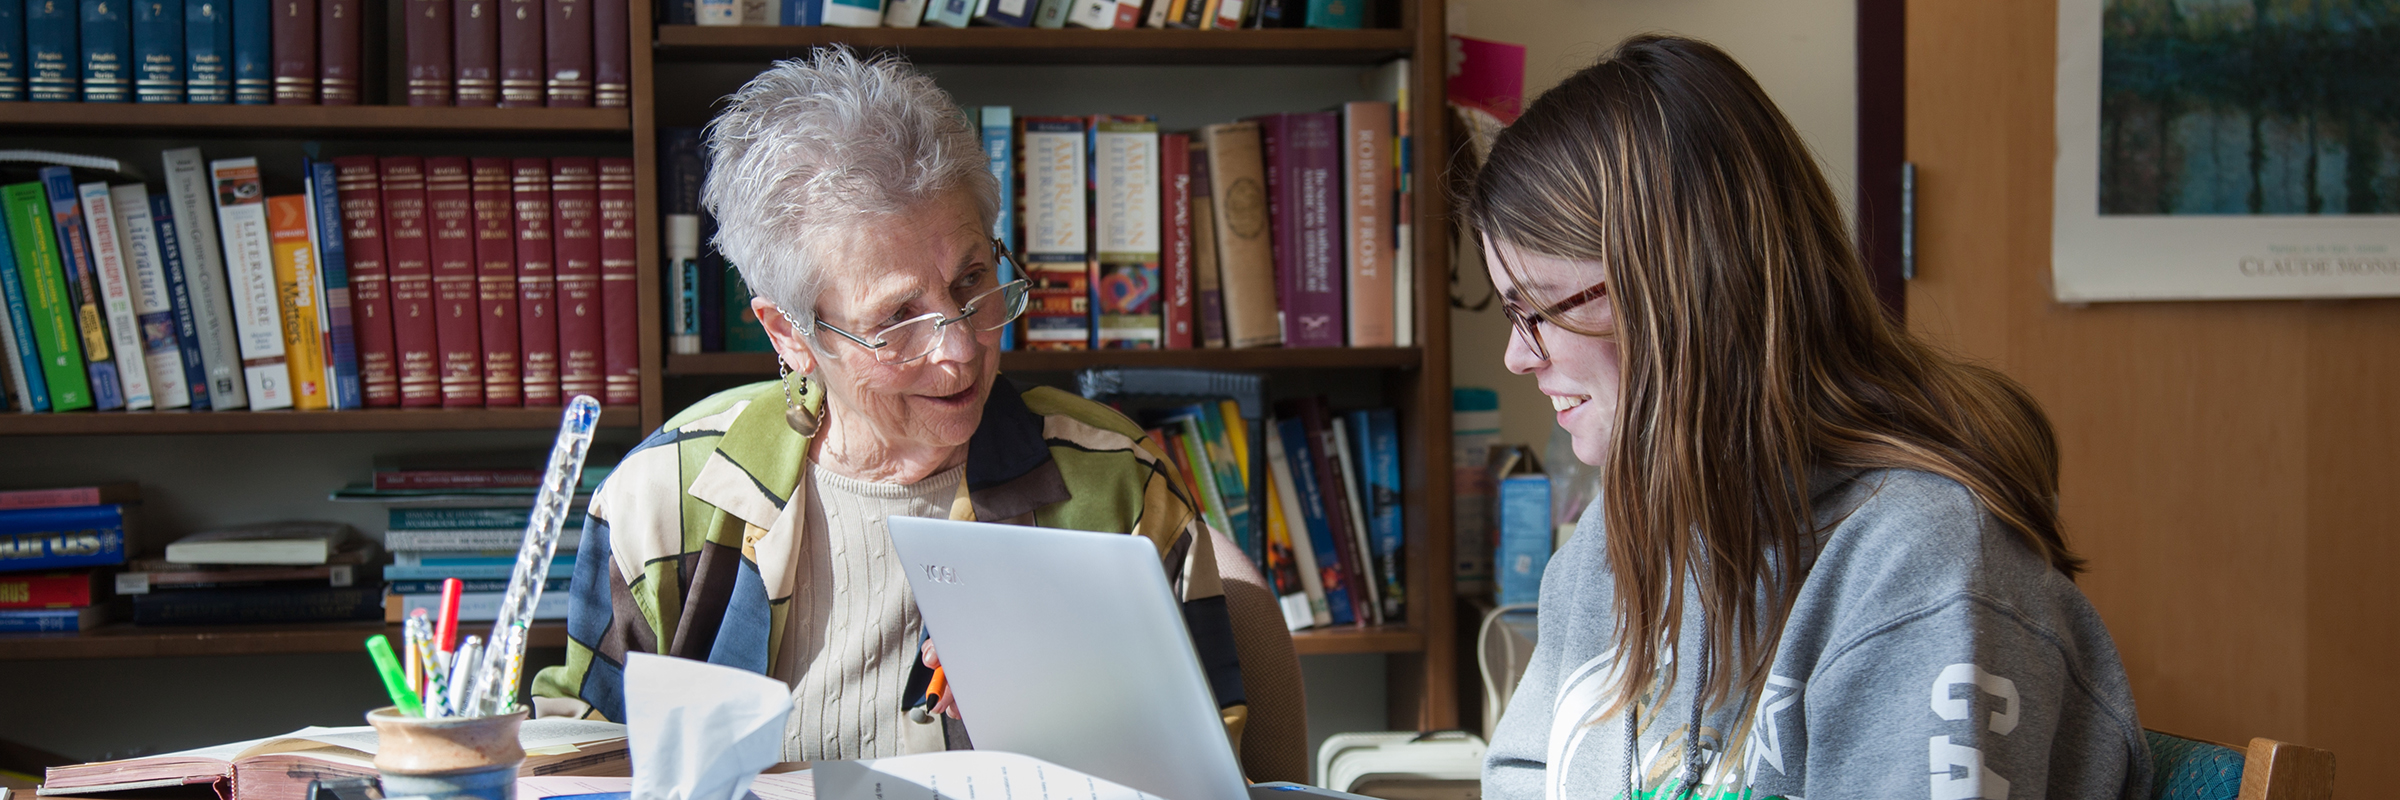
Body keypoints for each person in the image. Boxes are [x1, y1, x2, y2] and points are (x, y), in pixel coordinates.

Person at [1470, 36, 2149, 799]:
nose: (1517, 357)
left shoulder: (1922, 566)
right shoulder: (1614, 539)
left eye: (1537, 310)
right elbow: (1527, 773)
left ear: (1677, 291)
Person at [529, 48, 1247, 763]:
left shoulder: (1115, 487)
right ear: (791, 333)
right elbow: (574, 765)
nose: (960, 349)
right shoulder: (665, 496)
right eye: (899, 318)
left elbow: (1213, 770)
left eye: (971, 280)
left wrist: (1077, 720)